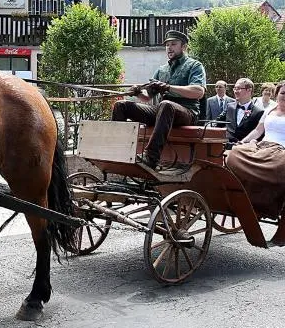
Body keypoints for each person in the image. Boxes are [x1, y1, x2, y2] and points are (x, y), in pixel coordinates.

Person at [112, 30, 206, 171]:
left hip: (187, 112)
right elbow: (147, 97)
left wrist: (169, 88)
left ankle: (151, 157)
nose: (169, 47)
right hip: (163, 111)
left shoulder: (195, 65)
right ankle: (119, 152)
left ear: (184, 47)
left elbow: (199, 92)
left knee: (166, 104)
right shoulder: (161, 70)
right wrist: (137, 91)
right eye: (167, 45)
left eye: (173, 44)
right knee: (121, 105)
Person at [225, 80, 285, 245]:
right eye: (283, 93)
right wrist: (243, 142)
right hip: (262, 146)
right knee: (233, 155)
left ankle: (263, 204)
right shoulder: (270, 110)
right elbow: (258, 131)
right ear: (277, 94)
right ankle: (240, 198)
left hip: (281, 151)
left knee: (280, 166)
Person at [216, 78, 264, 143]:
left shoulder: (258, 112)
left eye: (238, 88)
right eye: (235, 88)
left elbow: (259, 135)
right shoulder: (229, 107)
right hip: (226, 146)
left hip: (244, 149)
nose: (235, 91)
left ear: (249, 90)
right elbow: (217, 123)